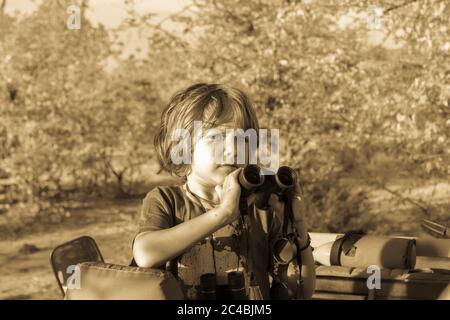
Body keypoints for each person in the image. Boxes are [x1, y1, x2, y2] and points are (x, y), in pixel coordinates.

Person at [132, 83, 315, 299]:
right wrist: (223, 214)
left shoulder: (261, 209)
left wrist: (298, 228)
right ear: (182, 147)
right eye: (215, 138)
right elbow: (145, 254)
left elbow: (303, 290)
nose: (233, 149)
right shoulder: (167, 201)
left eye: (244, 139)